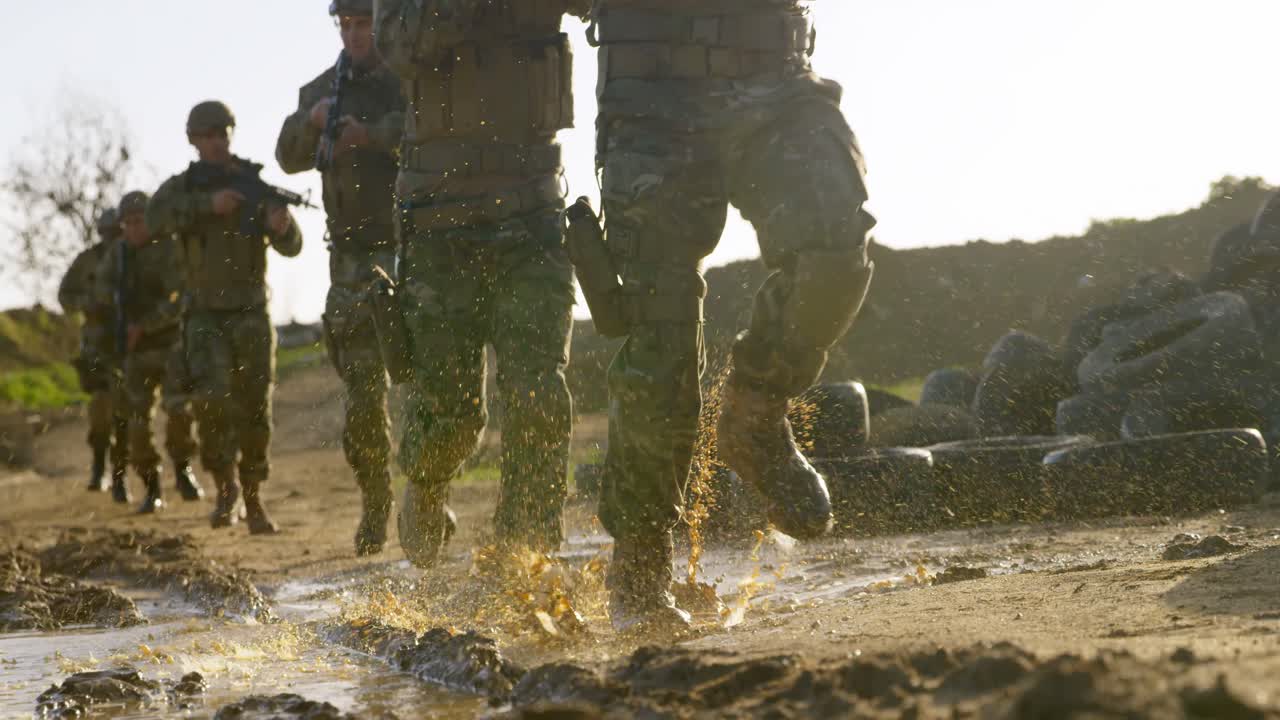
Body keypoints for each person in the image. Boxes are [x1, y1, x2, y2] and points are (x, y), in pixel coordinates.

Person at [586, 0, 876, 632]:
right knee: (658, 337)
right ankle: (639, 566)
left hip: (775, 79)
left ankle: (755, 413)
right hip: (651, 101)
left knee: (834, 247)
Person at [372, 0, 590, 568]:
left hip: (533, 217)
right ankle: (427, 479)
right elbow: (398, 43)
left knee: (537, 388)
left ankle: (524, 556)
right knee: (453, 411)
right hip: (440, 226)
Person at [276, 0, 405, 555]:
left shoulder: (408, 76)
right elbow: (286, 158)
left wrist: (371, 136)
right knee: (362, 395)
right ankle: (376, 504)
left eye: (363, 23)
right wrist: (309, 123)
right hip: (350, 262)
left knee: (429, 383)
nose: (353, 34)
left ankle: (430, 490)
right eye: (345, 24)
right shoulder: (320, 91)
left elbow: (437, 131)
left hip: (414, 251)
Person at [146, 101, 303, 534]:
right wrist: (205, 206)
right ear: (193, 140)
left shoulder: (254, 186)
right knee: (212, 402)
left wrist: (282, 226)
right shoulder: (181, 189)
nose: (216, 140)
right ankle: (226, 488)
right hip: (204, 316)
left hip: (252, 311)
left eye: (222, 132)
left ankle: (254, 498)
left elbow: (293, 246)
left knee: (255, 407)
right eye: (207, 134)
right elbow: (154, 220)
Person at [94, 191, 203, 514]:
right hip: (135, 351)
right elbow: (101, 289)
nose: (133, 229)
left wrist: (146, 324)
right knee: (136, 423)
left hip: (170, 344)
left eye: (138, 221)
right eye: (126, 223)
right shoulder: (119, 254)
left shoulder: (167, 248)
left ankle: (182, 467)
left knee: (179, 411)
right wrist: (114, 306)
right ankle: (151, 486)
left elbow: (180, 298)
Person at [58, 209, 130, 500]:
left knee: (125, 408)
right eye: (106, 232)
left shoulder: (133, 258)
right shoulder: (86, 261)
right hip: (96, 345)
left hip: (128, 341)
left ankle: (121, 476)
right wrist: (89, 303)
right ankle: (99, 468)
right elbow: (65, 296)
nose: (111, 237)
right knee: (100, 407)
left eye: (116, 232)